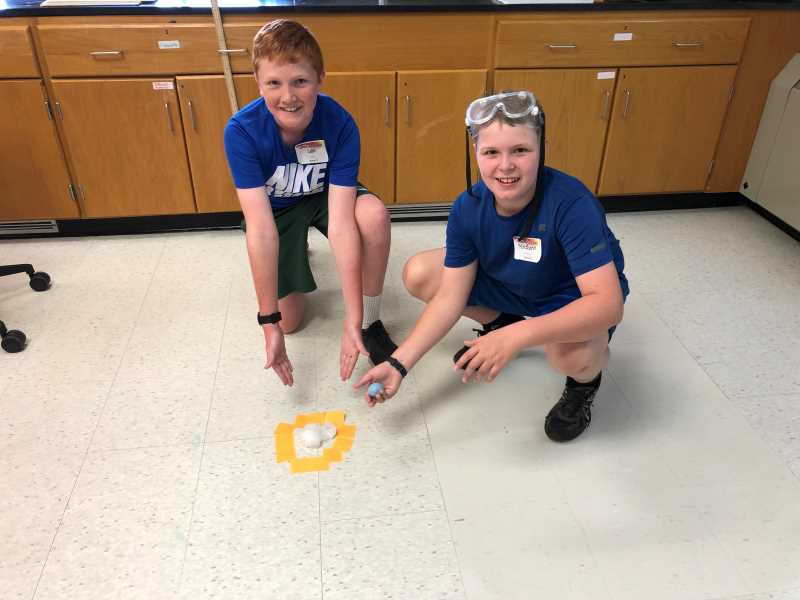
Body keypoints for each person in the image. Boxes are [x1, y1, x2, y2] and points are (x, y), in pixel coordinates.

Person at [356, 90, 629, 443]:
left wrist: (516, 338)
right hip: (514, 282)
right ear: (476, 153)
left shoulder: (572, 203)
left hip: (569, 297)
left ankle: (584, 383)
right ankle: (502, 321)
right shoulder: (468, 208)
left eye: (520, 150)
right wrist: (398, 364)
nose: (505, 166)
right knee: (421, 273)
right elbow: (449, 298)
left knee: (569, 355)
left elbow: (608, 304)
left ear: (541, 149)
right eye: (491, 152)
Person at [224, 19, 397, 386]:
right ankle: (298, 244)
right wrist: (269, 325)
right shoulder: (241, 131)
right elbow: (260, 230)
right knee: (290, 322)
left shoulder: (340, 123)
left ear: (319, 77)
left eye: (300, 81)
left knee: (374, 216)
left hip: (323, 194)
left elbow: (341, 225)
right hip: (278, 211)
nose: (288, 96)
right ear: (257, 82)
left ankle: (372, 320)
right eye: (274, 83)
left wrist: (353, 318)